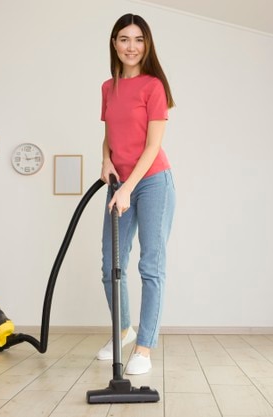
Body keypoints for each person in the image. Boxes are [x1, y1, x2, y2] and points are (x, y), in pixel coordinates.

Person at [96, 13, 176, 375]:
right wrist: (105, 161)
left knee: (150, 267)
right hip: (119, 184)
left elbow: (152, 145)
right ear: (114, 43)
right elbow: (111, 134)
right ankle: (123, 330)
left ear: (147, 44)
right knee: (110, 265)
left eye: (139, 39)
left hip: (153, 181)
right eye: (124, 39)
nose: (131, 46)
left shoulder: (153, 86)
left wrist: (129, 187)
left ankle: (144, 347)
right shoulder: (107, 88)